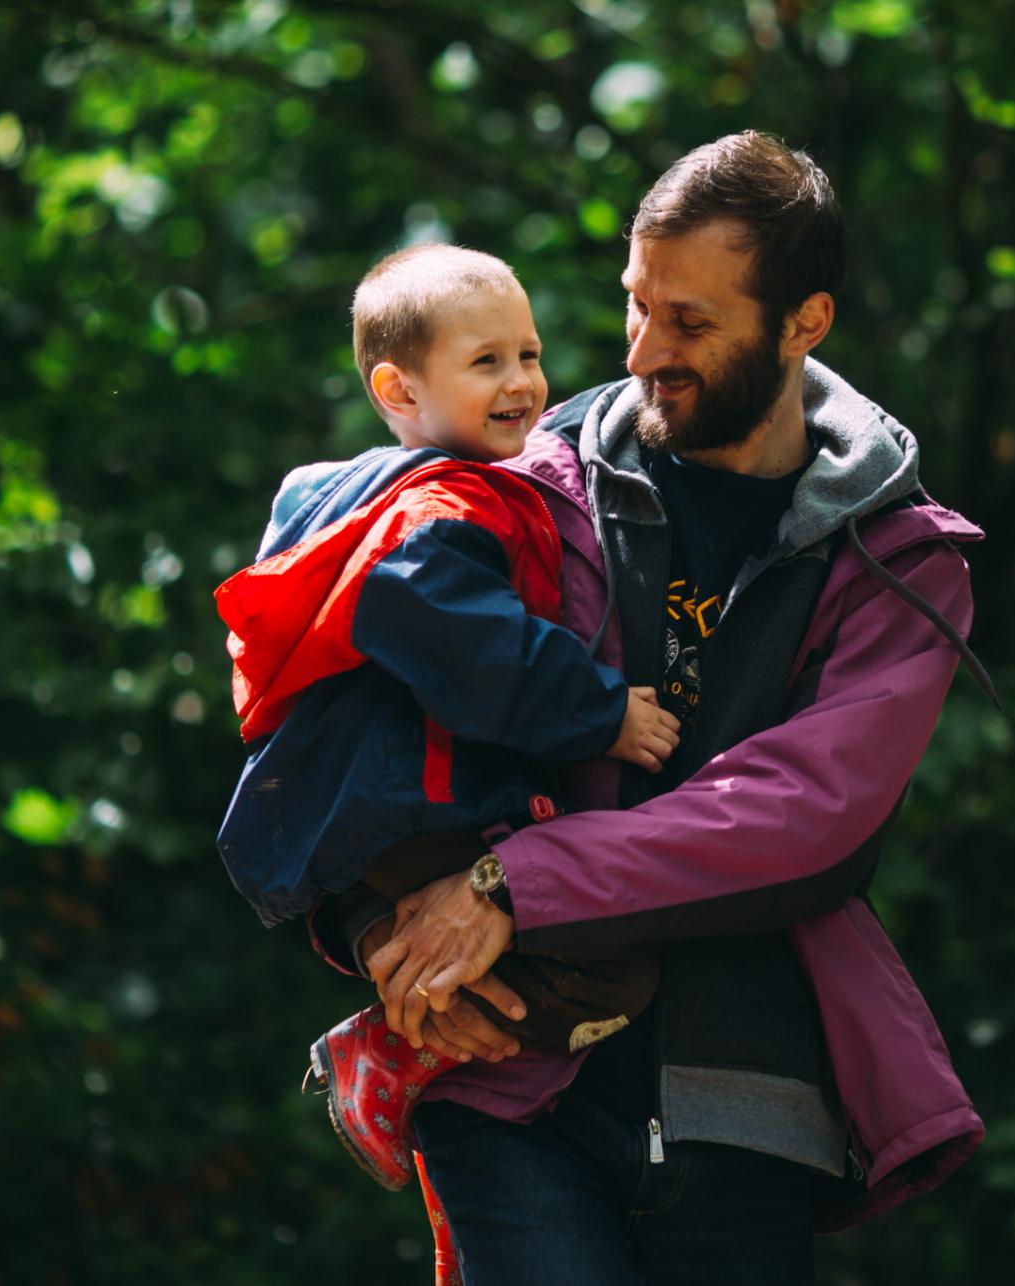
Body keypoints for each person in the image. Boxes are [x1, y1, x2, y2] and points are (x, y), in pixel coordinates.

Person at [313, 132, 998, 1284]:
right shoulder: (526, 482)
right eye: (635, 305)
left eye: (690, 323)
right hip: (508, 1086)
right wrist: (375, 923)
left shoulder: (900, 562)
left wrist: (506, 886)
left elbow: (804, 817)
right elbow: (347, 706)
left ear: (804, 323)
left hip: (752, 1102)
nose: (641, 352)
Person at [213, 244, 681, 1193]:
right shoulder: (443, 506)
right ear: (397, 386)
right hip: (407, 804)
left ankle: (409, 1041)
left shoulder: (339, 495)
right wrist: (601, 714)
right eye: (486, 363)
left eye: (529, 353)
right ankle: (390, 1054)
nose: (522, 383)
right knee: (613, 968)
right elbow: (468, 645)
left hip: (350, 807)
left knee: (506, 948)